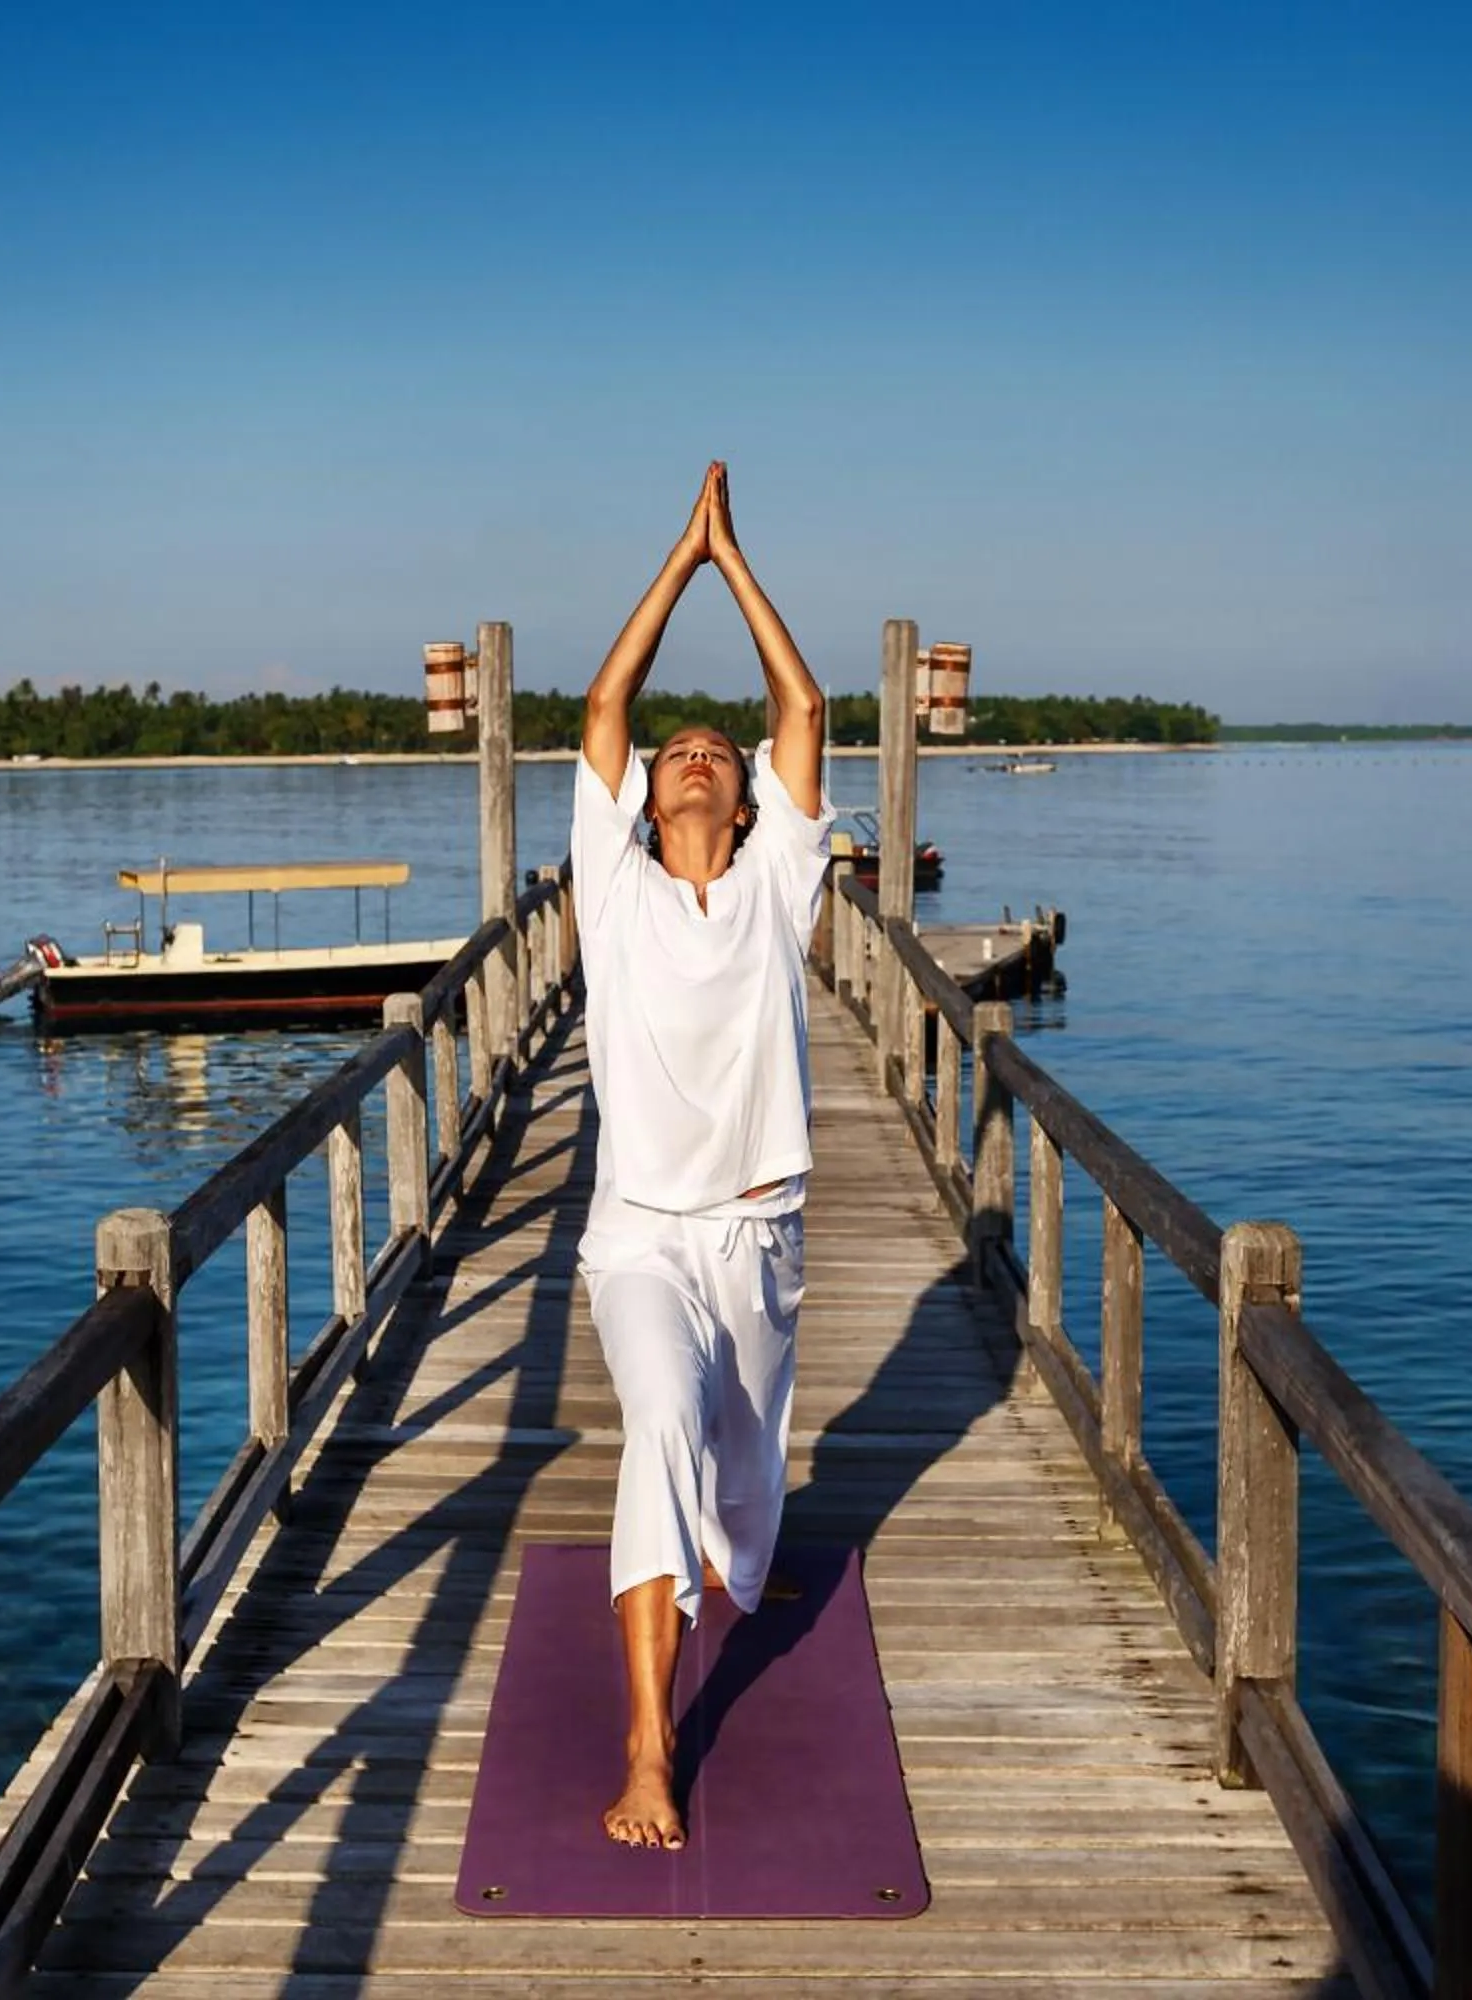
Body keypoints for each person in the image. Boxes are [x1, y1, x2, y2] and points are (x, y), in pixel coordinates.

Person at [570, 462, 832, 1852]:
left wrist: (742, 563)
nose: (689, 753)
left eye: (713, 755)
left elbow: (803, 709)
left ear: (740, 806)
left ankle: (734, 1560)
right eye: (676, 752)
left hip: (760, 1233)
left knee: (745, 1509)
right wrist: (679, 557)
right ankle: (648, 1744)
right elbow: (607, 706)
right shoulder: (610, 889)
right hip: (637, 1235)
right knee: (659, 1429)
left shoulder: (778, 885)